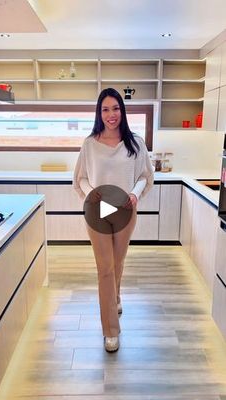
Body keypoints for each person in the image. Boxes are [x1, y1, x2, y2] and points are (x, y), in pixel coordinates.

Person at [73, 88, 154, 352]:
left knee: (118, 261)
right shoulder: (89, 144)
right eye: (105, 109)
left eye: (115, 108)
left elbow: (144, 175)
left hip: (125, 210)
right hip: (97, 211)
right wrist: (90, 193)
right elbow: (81, 178)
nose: (111, 114)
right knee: (105, 268)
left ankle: (116, 297)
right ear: (99, 113)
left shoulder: (135, 143)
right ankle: (110, 330)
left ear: (122, 110)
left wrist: (135, 193)